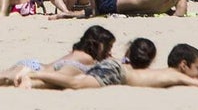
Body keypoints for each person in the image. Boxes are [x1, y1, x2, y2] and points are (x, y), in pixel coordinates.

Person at [19, 36, 156, 89]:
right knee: (75, 81)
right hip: (113, 70)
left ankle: (33, 79)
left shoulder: (122, 62)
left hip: (112, 68)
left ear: (129, 51)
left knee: (74, 79)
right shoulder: (140, 71)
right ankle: (33, 77)